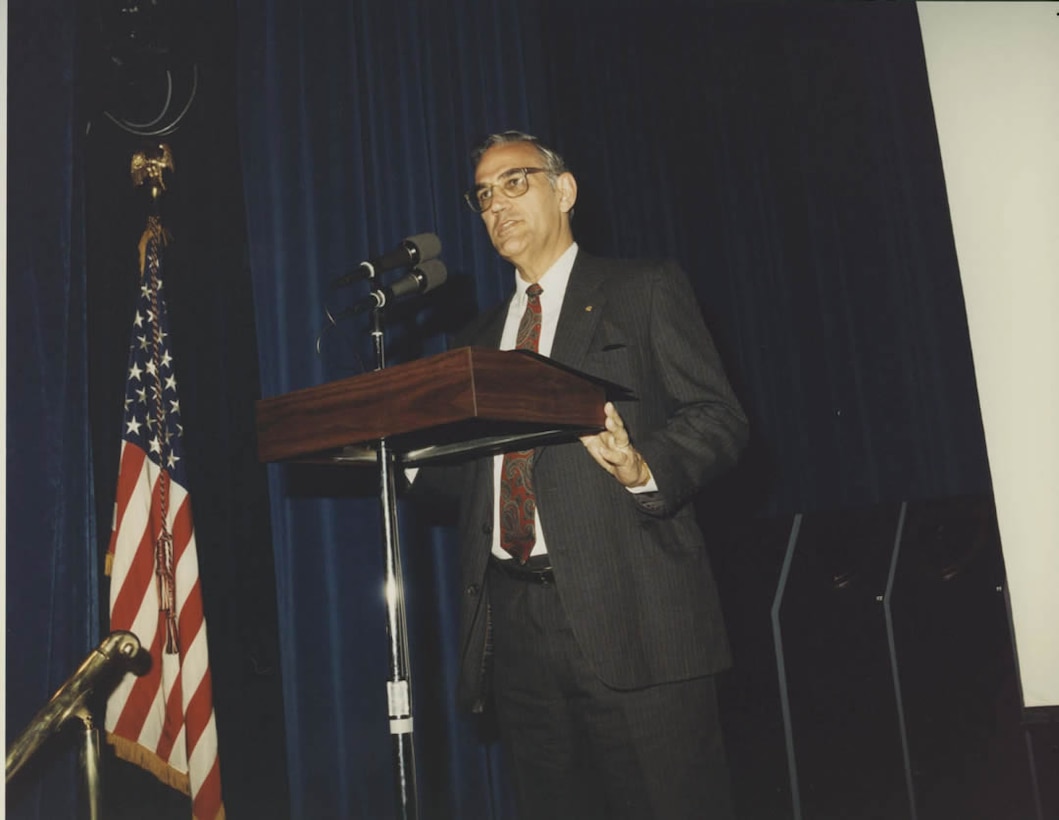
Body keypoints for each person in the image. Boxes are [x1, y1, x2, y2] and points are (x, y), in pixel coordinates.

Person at [418, 131, 748, 819]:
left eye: (515, 183)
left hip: (636, 614)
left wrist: (643, 465)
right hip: (514, 625)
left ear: (563, 191)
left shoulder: (641, 289)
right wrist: (408, 454)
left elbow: (718, 418)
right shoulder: (476, 341)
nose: (495, 205)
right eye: (483, 194)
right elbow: (471, 483)